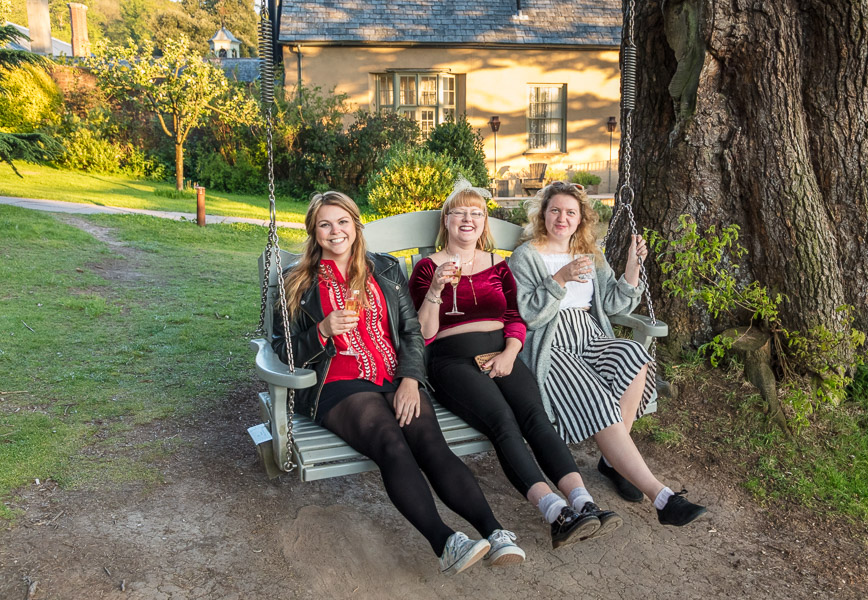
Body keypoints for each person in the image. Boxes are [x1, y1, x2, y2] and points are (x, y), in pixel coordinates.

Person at [271, 191, 525, 574]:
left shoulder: (385, 270)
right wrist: (321, 330)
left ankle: (494, 531)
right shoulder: (297, 281)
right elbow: (282, 349)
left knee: (431, 444)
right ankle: (446, 542)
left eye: (342, 222)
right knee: (391, 443)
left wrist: (411, 379)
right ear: (314, 231)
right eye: (325, 224)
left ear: (355, 226)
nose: (335, 231)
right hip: (340, 382)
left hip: (394, 374)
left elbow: (410, 332)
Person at [409, 179, 622, 550]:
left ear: (484, 223)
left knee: (535, 417)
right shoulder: (428, 269)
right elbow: (423, 334)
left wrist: (510, 352)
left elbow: (514, 317)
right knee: (503, 424)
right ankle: (556, 512)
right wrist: (435, 292)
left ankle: (584, 502)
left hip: (502, 351)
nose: (468, 219)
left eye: (476, 213)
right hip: (452, 360)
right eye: (459, 212)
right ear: (446, 220)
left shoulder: (499, 265)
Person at [508, 181, 707, 527]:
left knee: (633, 355)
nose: (562, 218)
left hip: (590, 334)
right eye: (555, 210)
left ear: (582, 219)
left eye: (571, 212)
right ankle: (661, 496)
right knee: (598, 397)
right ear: (543, 214)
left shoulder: (590, 253)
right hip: (551, 344)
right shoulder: (526, 256)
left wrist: (632, 268)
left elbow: (613, 303)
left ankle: (614, 461)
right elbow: (527, 314)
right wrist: (559, 279)